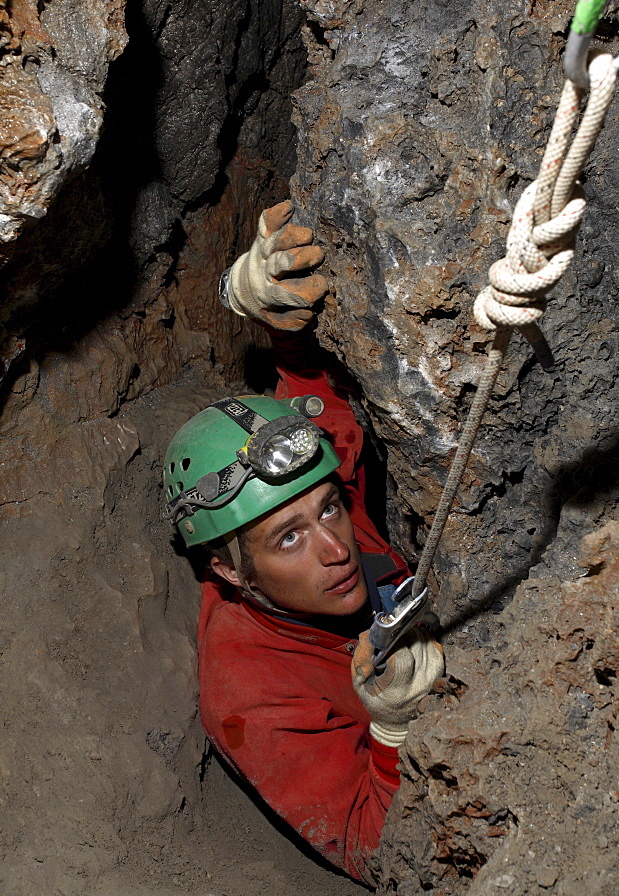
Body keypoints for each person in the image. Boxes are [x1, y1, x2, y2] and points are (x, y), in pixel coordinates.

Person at [163, 201, 444, 884]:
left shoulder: (323, 509)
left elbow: (326, 407)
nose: (334, 546)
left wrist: (274, 319)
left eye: (329, 510)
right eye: (288, 538)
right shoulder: (250, 694)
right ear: (228, 572)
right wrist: (394, 730)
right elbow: (372, 852)